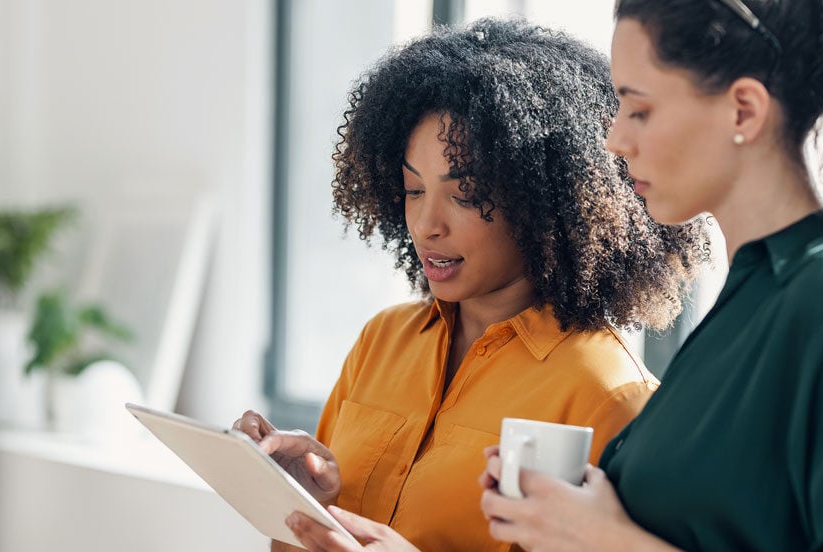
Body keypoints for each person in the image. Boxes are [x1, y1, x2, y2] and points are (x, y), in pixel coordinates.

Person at [476, 0, 823, 550]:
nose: (614, 140)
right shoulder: (752, 295)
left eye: (639, 110)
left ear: (743, 111)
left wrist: (604, 539)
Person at [233, 17, 708, 552]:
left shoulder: (608, 397)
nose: (427, 224)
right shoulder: (381, 343)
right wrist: (299, 502)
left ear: (544, 204)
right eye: (414, 190)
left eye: (465, 195)